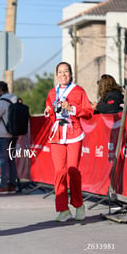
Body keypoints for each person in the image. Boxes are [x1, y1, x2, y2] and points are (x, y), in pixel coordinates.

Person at [44, 62, 93, 222]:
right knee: (59, 172)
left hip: (74, 133)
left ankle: (79, 205)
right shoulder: (52, 93)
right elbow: (51, 112)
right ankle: (63, 209)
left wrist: (72, 109)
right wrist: (48, 111)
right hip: (57, 134)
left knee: (72, 171)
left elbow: (88, 111)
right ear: (57, 75)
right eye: (60, 72)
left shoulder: (78, 91)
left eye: (66, 71)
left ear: (71, 74)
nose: (63, 74)